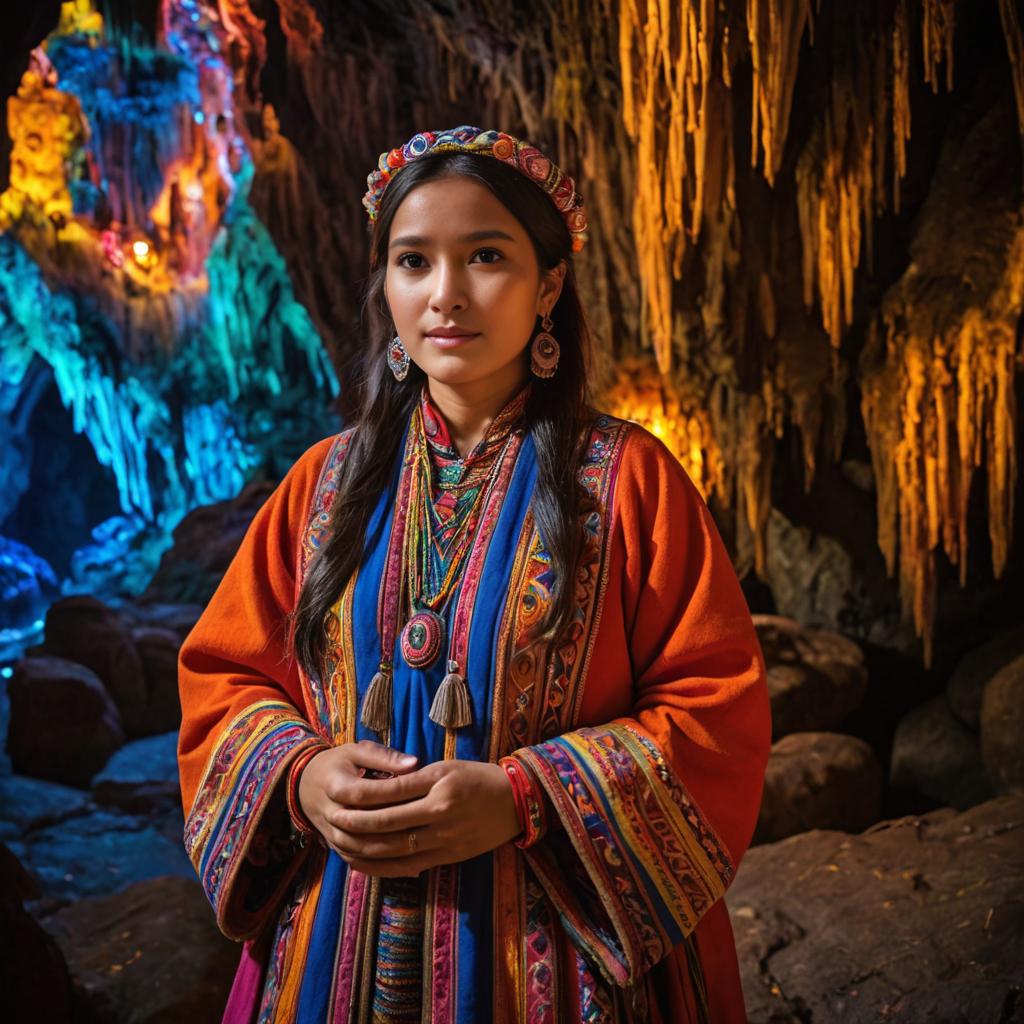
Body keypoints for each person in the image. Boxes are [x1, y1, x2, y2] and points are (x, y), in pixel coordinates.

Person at [177, 125, 771, 1024]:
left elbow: (714, 711)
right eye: (413, 262)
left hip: (558, 958)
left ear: (550, 286)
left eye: (485, 256)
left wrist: (527, 796)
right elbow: (224, 678)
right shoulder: (323, 485)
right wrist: (298, 777)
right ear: (386, 286)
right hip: (334, 932)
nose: (446, 295)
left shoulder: (629, 483)